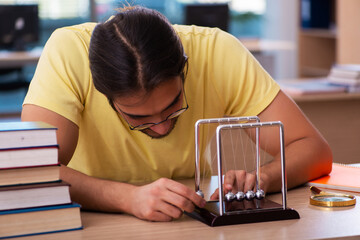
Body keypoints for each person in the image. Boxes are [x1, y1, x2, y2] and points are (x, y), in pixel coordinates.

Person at [21, 6, 332, 222]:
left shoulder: (218, 52)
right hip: (92, 224)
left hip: (186, 222)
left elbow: (313, 149)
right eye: (138, 118)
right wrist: (126, 198)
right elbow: (27, 172)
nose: (159, 129)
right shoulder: (68, 51)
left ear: (184, 68)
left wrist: (260, 179)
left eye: (173, 108)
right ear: (103, 93)